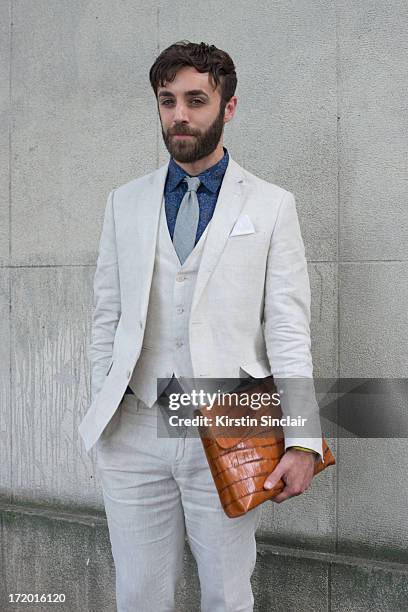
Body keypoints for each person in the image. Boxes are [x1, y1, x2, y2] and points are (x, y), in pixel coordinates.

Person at [78, 40, 324, 612]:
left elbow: (289, 330)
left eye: (195, 99)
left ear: (228, 107)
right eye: (167, 101)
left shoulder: (270, 206)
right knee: (138, 597)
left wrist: (304, 440)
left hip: (229, 430)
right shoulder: (125, 203)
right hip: (134, 431)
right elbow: (107, 318)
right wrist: (105, 403)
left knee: (226, 594)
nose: (179, 115)